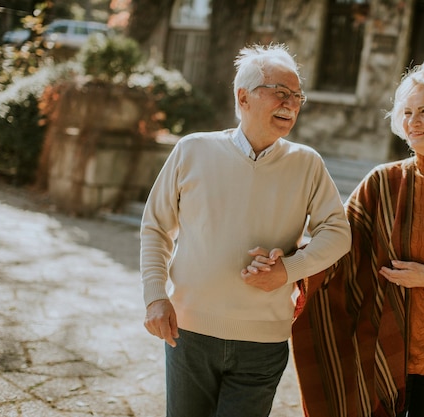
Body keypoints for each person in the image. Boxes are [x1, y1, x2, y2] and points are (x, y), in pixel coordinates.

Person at [249, 54, 424, 417]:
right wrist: (293, 262)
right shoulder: (383, 182)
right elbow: (338, 247)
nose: (412, 122)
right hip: (382, 348)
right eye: (406, 112)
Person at [139, 43, 351, 417]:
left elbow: (338, 233)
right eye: (280, 92)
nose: (291, 103)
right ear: (243, 96)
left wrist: (290, 269)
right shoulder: (192, 150)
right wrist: (156, 296)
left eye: (297, 96)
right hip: (189, 333)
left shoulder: (308, 164)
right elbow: (156, 227)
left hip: (263, 341)